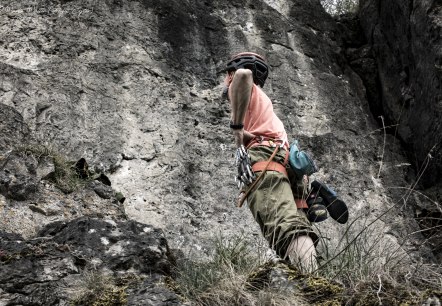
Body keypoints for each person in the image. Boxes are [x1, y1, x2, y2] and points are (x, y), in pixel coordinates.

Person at [222, 52, 319, 272]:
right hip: (285, 162)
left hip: (266, 161)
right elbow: (264, 136)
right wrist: (245, 135)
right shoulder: (264, 106)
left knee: (283, 225)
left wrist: (237, 128)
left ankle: (312, 284)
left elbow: (243, 75)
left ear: (228, 75)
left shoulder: (244, 86)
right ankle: (311, 276)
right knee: (297, 225)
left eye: (226, 76)